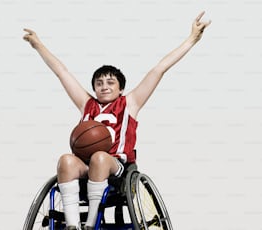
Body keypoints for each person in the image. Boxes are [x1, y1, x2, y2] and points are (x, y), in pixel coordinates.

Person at [23, 11, 211, 230]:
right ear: (94, 88)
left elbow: (158, 69)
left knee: (100, 158)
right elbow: (62, 72)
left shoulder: (130, 103)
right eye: (99, 83)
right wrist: (38, 45)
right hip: (86, 165)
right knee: (66, 160)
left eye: (110, 82)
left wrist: (191, 39)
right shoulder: (87, 104)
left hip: (117, 168)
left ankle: (91, 223)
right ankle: (73, 225)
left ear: (120, 88)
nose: (104, 86)